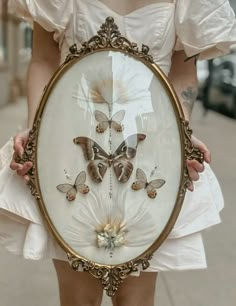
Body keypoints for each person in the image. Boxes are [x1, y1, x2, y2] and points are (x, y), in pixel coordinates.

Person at [1, 0, 235, 305]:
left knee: (135, 298)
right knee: (77, 297)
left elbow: (182, 75)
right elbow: (44, 59)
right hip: (72, 147)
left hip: (149, 151)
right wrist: (36, 130)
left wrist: (182, 135)